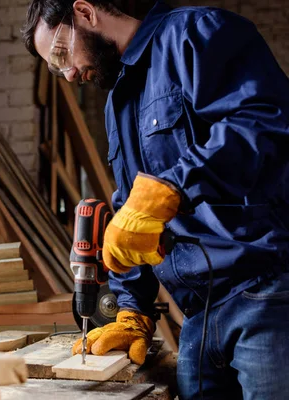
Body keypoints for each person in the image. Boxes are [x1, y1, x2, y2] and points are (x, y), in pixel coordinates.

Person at [22, 1, 289, 399]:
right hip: (198, 316)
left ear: (85, 13)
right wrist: (131, 308)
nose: (70, 73)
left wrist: (172, 188)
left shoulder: (195, 33)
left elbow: (262, 121)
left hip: (262, 295)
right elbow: (135, 219)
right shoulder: (118, 103)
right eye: (57, 67)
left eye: (62, 54)